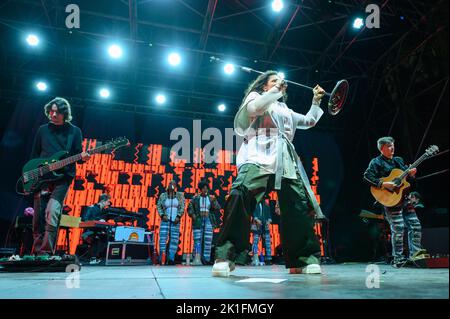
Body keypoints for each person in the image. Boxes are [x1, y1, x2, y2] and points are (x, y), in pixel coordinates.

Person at [212, 70, 326, 276]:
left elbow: (310, 121)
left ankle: (302, 259)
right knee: (240, 194)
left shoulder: (285, 109)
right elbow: (255, 108)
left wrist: (316, 101)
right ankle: (226, 256)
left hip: (285, 161)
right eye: (274, 81)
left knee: (297, 207)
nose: (279, 83)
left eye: (280, 81)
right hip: (258, 156)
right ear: (265, 86)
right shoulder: (256, 97)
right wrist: (276, 90)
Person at [30, 97, 90, 258]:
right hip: (41, 178)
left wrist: (83, 158)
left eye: (57, 112)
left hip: (62, 178)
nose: (53, 114)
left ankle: (46, 252)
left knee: (52, 212)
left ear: (65, 113)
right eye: (51, 111)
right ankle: (36, 252)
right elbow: (34, 155)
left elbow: (78, 154)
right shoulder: (42, 130)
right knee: (38, 217)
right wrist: (32, 175)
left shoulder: (74, 131)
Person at [363, 136, 427, 267]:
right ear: (382, 148)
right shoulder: (376, 162)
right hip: (390, 200)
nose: (392, 148)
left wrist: (411, 174)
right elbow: (367, 176)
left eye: (393, 145)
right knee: (398, 229)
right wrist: (383, 183)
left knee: (415, 225)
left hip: (404, 198)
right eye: (389, 146)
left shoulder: (398, 161)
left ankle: (415, 254)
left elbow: (406, 181)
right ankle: (398, 259)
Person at [187, 180, 221, 265]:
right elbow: (189, 208)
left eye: (206, 188)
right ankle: (196, 259)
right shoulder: (195, 198)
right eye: (203, 188)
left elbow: (218, 208)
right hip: (198, 220)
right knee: (197, 240)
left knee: (208, 241)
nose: (205, 190)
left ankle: (206, 259)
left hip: (208, 220)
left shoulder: (211, 198)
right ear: (200, 189)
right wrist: (193, 215)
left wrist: (214, 201)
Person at [156, 180, 185, 265]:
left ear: (175, 186)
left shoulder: (180, 195)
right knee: (163, 239)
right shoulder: (163, 195)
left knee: (174, 240)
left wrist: (179, 216)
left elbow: (183, 206)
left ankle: (171, 258)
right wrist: (162, 215)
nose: (171, 185)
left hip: (175, 220)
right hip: (165, 219)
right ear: (168, 185)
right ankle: (162, 258)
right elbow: (159, 206)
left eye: (173, 184)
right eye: (170, 184)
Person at [81, 193, 112, 263]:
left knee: (107, 236)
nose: (108, 204)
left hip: (98, 231)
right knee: (97, 237)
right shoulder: (91, 208)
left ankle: (99, 257)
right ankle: (92, 258)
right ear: (103, 201)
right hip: (88, 232)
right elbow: (84, 220)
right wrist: (97, 221)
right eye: (108, 202)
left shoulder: (104, 211)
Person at [250, 195, 279, 265]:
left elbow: (269, 216)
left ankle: (268, 259)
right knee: (255, 242)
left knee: (268, 242)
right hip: (257, 226)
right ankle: (255, 257)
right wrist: (256, 219)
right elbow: (253, 214)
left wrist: (268, 221)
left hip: (265, 226)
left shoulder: (266, 206)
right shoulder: (255, 205)